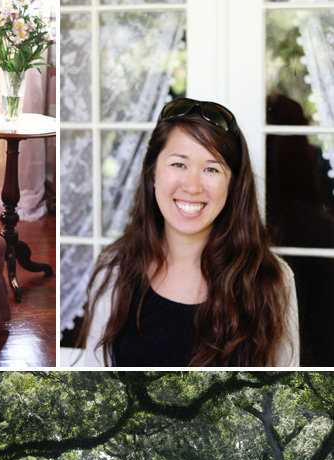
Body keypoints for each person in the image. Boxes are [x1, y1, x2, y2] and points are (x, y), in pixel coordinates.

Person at [80, 97, 300, 367]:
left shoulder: (272, 281)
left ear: (233, 185)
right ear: (153, 174)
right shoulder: (113, 269)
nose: (193, 186)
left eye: (211, 168)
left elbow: (281, 397)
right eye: (179, 164)